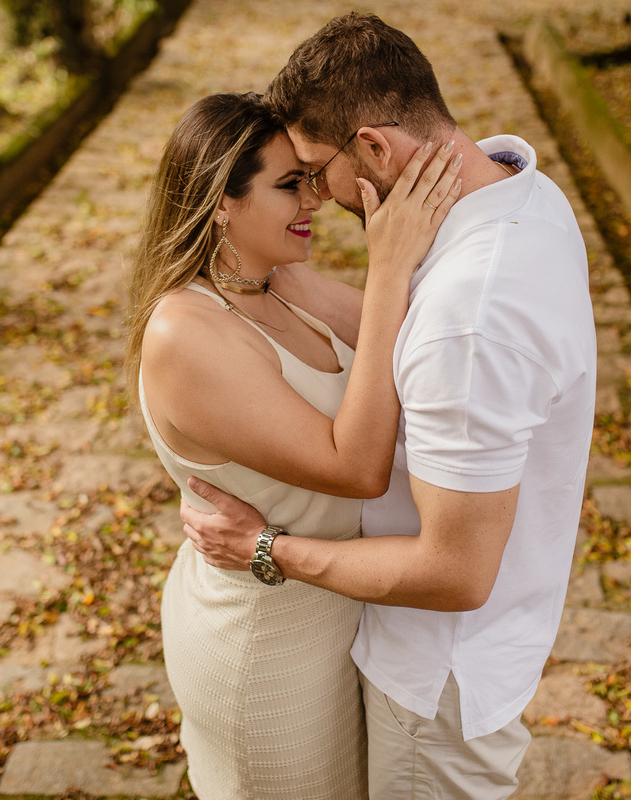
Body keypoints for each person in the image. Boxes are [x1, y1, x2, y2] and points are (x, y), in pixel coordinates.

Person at [179, 13, 598, 799]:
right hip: (471, 651)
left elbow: (454, 571)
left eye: (315, 168)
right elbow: (403, 333)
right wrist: (276, 269)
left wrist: (264, 549)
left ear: (372, 147)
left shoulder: (469, 318)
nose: (315, 192)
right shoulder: (522, 194)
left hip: (430, 678)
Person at [124, 91, 461, 800]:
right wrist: (390, 265)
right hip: (265, 644)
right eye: (289, 185)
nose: (314, 199)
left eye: (311, 176)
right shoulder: (185, 333)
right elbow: (356, 465)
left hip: (339, 619)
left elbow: (405, 345)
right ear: (221, 201)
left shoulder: (279, 280)